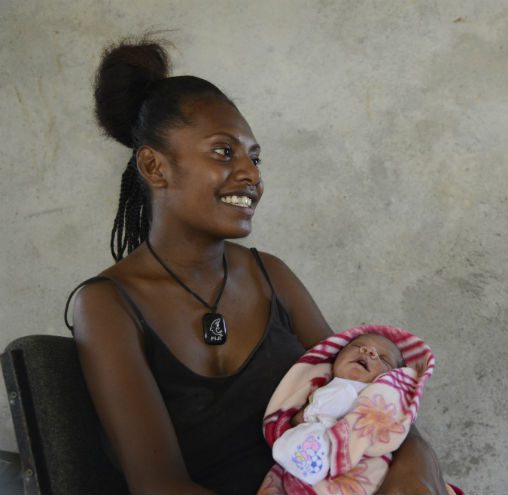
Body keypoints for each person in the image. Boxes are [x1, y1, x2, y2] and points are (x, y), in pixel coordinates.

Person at [66, 38, 450, 494]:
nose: (252, 173)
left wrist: (417, 461)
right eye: (224, 152)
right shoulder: (108, 305)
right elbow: (159, 486)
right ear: (154, 166)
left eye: (255, 156)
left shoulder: (270, 276)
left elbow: (364, 392)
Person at [272, 332, 407, 486]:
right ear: (336, 356)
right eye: (358, 346)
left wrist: (304, 416)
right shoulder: (323, 383)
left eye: (384, 359)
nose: (369, 351)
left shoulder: (374, 401)